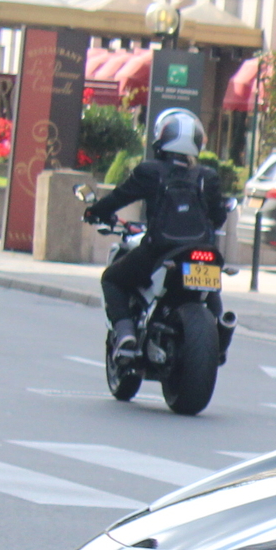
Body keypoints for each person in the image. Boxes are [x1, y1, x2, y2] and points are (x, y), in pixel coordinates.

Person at [84, 108, 229, 371]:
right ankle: (223, 328)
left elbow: (120, 197)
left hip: (160, 250)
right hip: (203, 250)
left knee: (112, 279)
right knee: (211, 287)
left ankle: (126, 332)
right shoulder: (207, 176)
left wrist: (95, 211)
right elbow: (218, 215)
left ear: (161, 138)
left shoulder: (151, 171)